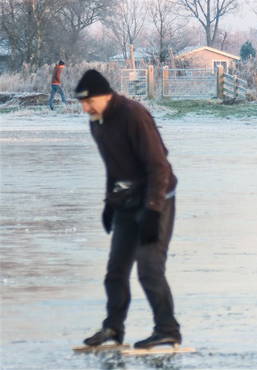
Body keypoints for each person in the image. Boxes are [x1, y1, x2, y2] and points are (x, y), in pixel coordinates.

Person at [75, 69, 181, 349]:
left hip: (157, 198)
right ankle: (112, 328)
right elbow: (113, 165)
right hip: (125, 201)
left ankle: (167, 329)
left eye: (88, 102)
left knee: (149, 268)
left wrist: (153, 210)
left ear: (105, 96)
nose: (85, 108)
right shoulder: (97, 122)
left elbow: (158, 165)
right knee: (115, 272)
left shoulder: (134, 115)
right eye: (81, 103)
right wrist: (109, 203)